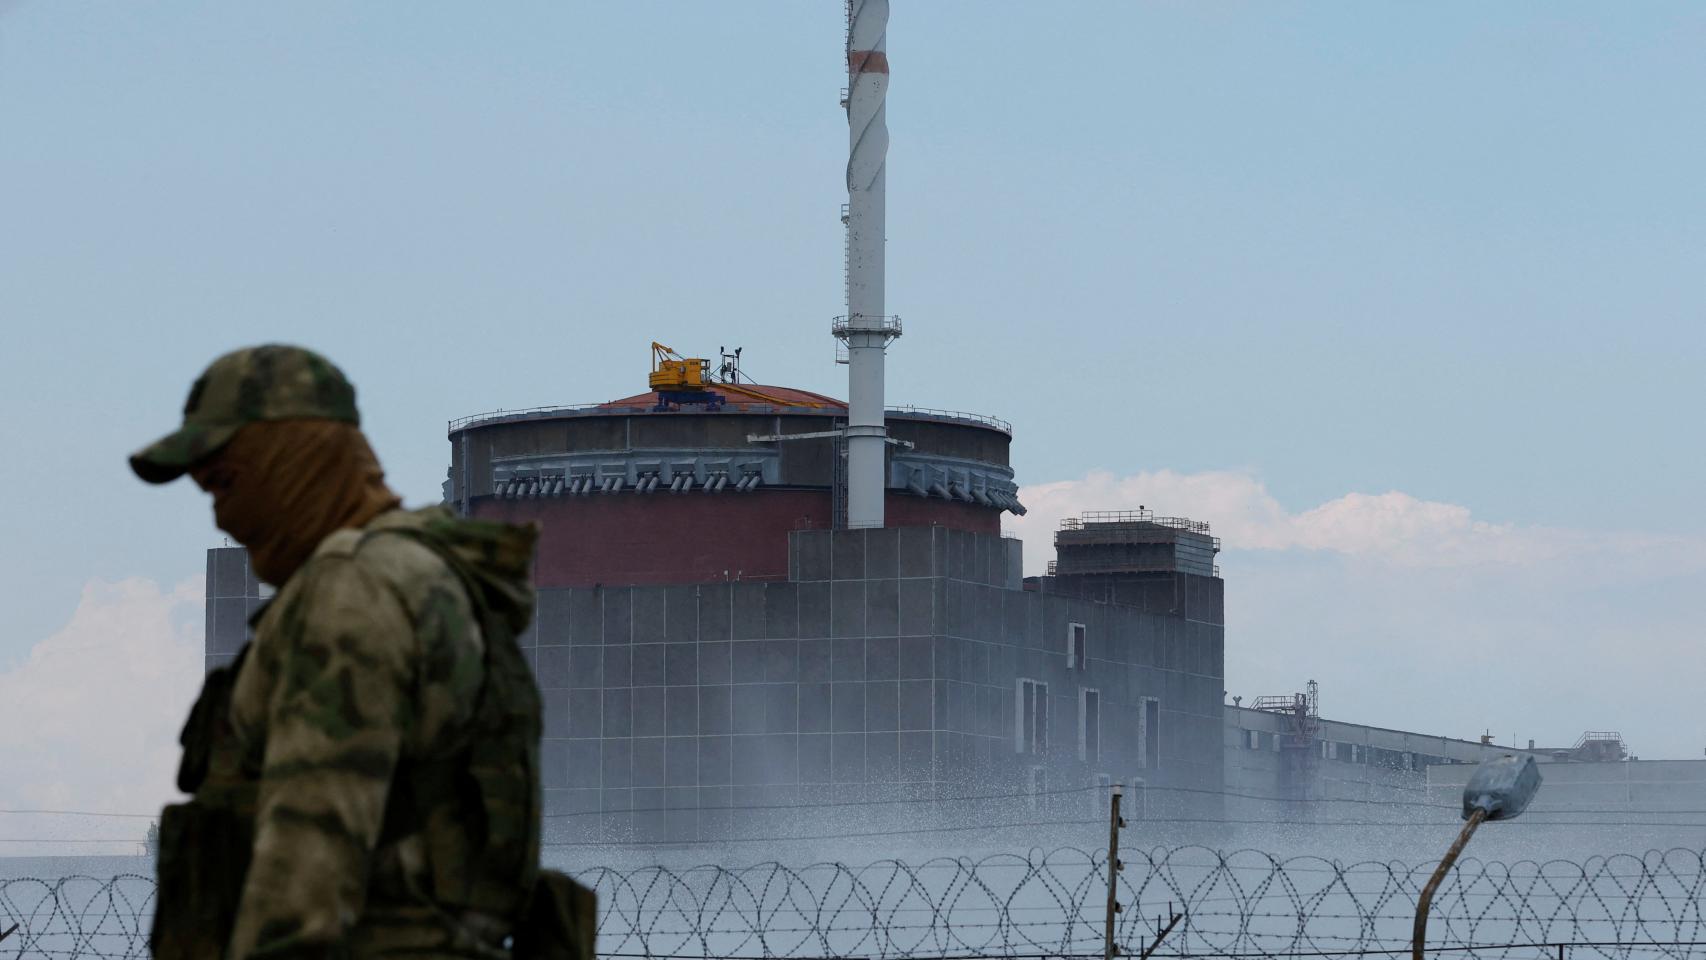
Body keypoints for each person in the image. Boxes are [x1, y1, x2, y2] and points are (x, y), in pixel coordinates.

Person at [132, 344, 589, 960]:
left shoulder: (351, 590)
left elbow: (306, 869)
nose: (223, 517)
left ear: (291, 459)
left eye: (225, 483)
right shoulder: (422, 578)